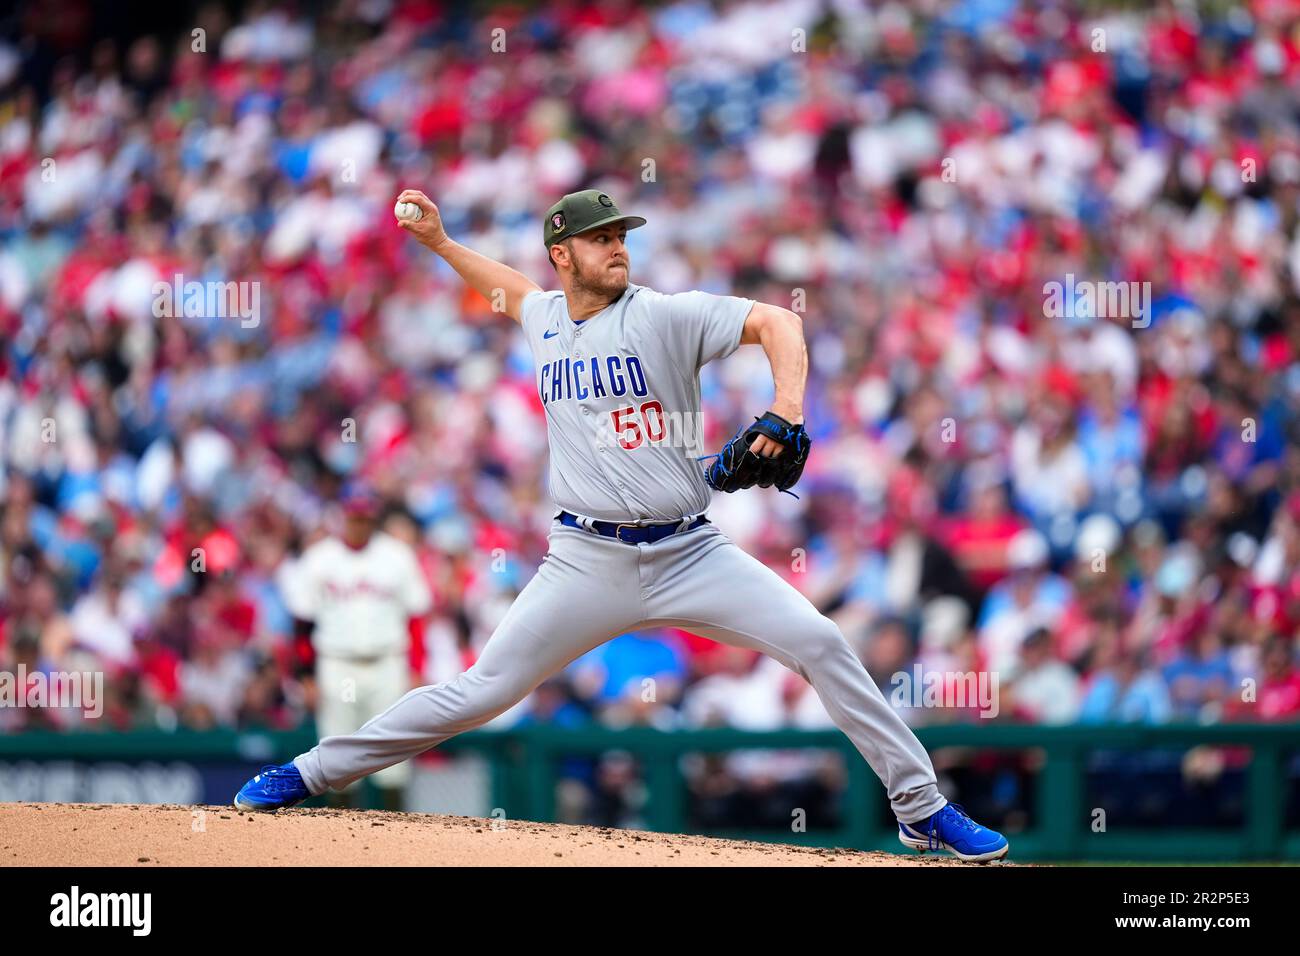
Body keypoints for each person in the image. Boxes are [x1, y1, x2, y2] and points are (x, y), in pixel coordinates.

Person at [234, 188, 1009, 861]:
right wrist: (439, 243)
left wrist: (786, 410)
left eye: (621, 237)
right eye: (601, 238)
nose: (618, 248)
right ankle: (307, 773)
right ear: (562, 255)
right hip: (584, 559)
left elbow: (779, 323)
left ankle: (921, 810)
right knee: (478, 691)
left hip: (689, 550)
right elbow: (507, 290)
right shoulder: (543, 316)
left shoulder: (665, 317)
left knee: (823, 642)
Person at [274, 485, 431, 810]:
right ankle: (342, 843)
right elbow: (303, 624)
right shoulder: (319, 559)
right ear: (343, 516)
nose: (359, 523)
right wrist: (306, 675)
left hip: (388, 662)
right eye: (354, 516)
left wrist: (416, 667)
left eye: (365, 517)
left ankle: (395, 839)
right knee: (338, 756)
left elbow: (415, 618)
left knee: (393, 758)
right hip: (336, 663)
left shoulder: (397, 555)